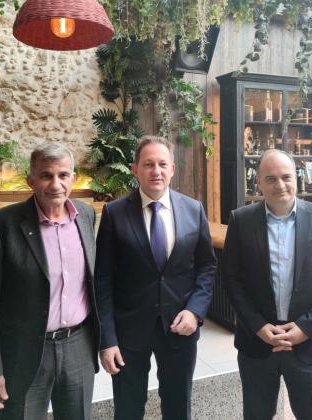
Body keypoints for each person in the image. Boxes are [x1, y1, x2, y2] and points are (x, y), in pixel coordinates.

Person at [0, 142, 101, 420]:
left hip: (78, 346)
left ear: (73, 178)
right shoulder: (1, 225)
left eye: (63, 175)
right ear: (31, 180)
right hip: (23, 352)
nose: (56, 184)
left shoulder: (86, 216)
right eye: (46, 175)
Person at [94, 135, 216, 420]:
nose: (156, 171)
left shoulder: (194, 210)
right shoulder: (114, 213)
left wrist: (195, 311)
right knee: (128, 409)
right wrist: (107, 340)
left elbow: (206, 267)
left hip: (179, 327)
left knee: (178, 407)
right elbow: (102, 280)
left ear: (172, 169)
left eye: (162, 164)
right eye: (148, 164)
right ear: (135, 169)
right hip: (129, 332)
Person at [223, 149, 312, 420]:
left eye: (286, 177)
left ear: (297, 178)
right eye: (270, 179)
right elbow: (232, 280)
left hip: (307, 343)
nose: (280, 185)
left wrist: (306, 328)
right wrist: (258, 326)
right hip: (257, 343)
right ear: (258, 182)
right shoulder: (241, 220)